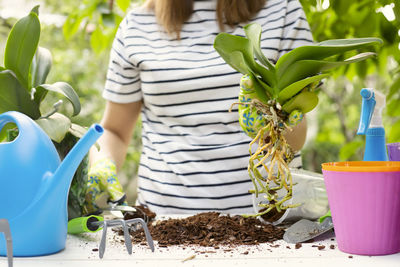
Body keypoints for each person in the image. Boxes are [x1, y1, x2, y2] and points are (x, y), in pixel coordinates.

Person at [85, 0, 313, 215]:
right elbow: (115, 131)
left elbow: (297, 132)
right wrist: (102, 164)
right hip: (163, 227)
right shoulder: (136, 27)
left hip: (273, 220)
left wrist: (273, 126)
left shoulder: (284, 11)